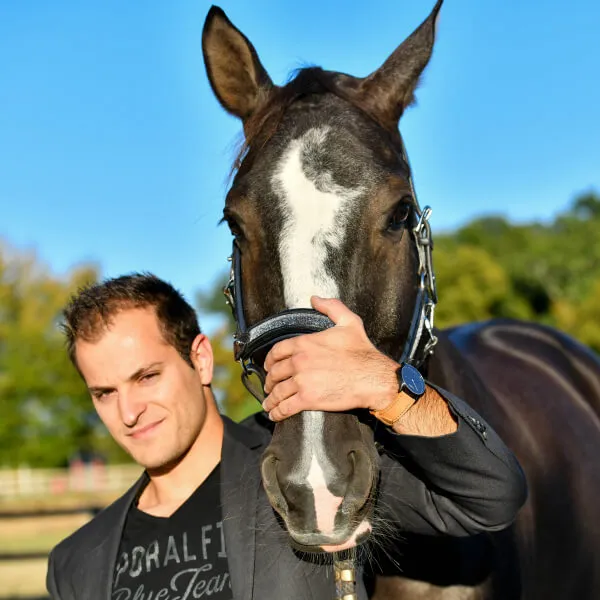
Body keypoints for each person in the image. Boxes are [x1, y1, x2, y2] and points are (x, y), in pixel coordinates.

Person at [46, 273, 526, 600]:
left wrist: (386, 384)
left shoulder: (308, 473)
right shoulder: (74, 564)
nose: (129, 412)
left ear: (201, 359)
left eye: (147, 377)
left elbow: (489, 496)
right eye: (104, 393)